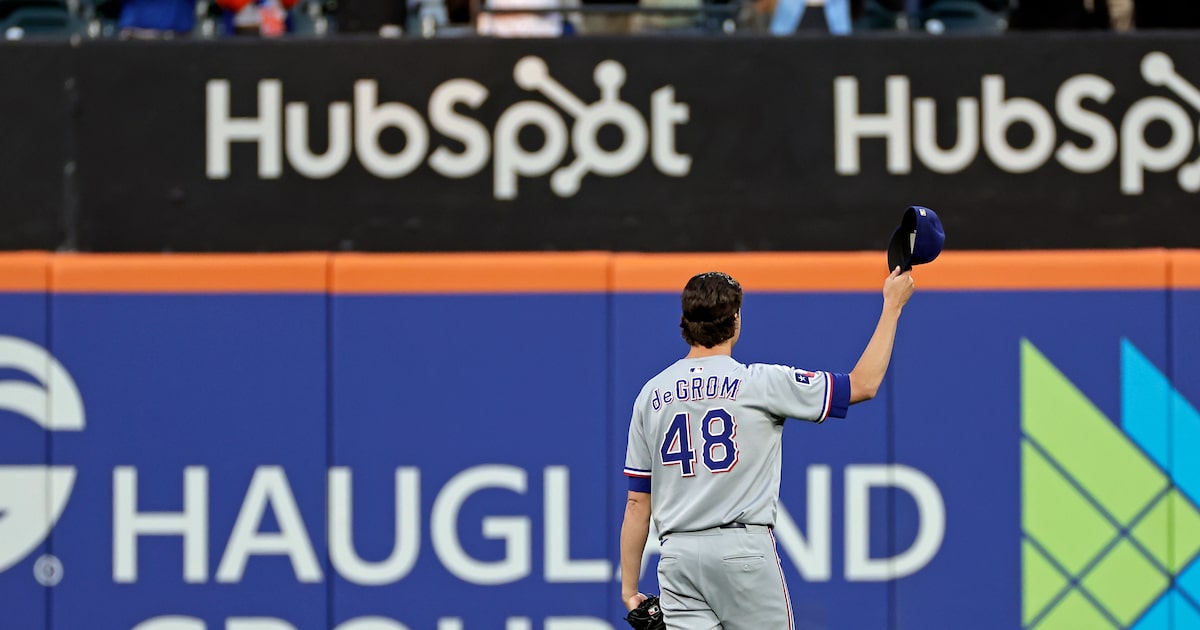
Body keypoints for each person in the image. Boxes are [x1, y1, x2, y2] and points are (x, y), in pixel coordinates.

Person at [619, 266, 915, 628]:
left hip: (677, 558)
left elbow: (637, 503)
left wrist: (629, 589)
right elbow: (863, 385)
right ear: (735, 320)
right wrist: (892, 306)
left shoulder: (651, 396)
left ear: (685, 322)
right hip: (742, 550)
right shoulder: (758, 382)